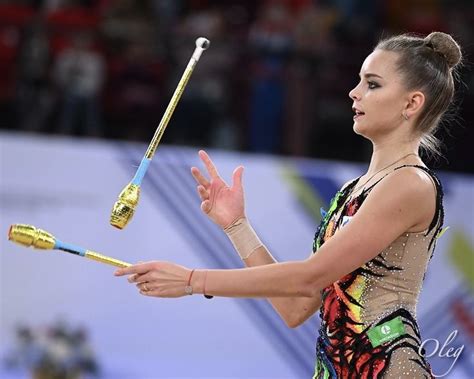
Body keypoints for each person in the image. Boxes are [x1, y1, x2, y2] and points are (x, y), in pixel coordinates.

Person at [114, 31, 462, 378]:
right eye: (359, 81)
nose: (354, 93)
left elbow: (308, 278)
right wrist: (237, 225)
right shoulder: (352, 190)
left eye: (372, 84)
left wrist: (192, 280)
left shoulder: (409, 184)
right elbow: (295, 307)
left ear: (411, 103)